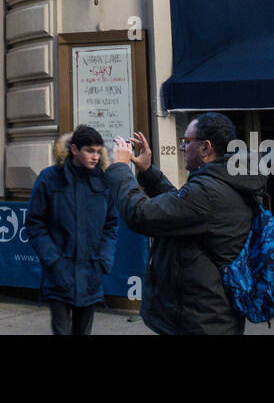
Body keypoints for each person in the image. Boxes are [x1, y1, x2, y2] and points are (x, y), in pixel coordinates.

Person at [105, 112, 264, 335]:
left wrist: (120, 168)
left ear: (206, 148)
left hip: (200, 321)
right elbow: (182, 210)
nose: (181, 148)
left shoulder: (207, 192)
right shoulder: (223, 183)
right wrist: (148, 172)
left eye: (186, 142)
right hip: (211, 316)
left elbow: (140, 214)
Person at [25, 125, 118, 335]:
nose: (95, 156)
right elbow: (34, 223)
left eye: (98, 151)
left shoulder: (104, 182)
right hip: (60, 272)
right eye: (89, 151)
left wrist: (103, 261)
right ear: (74, 149)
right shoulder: (49, 178)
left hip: (91, 272)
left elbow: (111, 225)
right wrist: (54, 261)